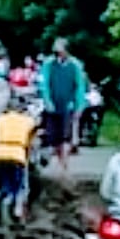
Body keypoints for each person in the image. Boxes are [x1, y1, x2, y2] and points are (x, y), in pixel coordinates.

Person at [38, 38, 86, 175]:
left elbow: (80, 87)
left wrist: (79, 106)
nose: (58, 55)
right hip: (53, 104)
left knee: (66, 136)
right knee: (54, 137)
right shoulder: (48, 64)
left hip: (68, 105)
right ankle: (61, 162)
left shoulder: (75, 65)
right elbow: (44, 84)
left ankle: (64, 164)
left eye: (61, 51)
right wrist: (47, 101)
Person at [0, 92, 37, 225]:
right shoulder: (28, 121)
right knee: (21, 187)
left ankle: (3, 208)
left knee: (6, 186)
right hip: (17, 155)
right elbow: (31, 142)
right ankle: (18, 210)